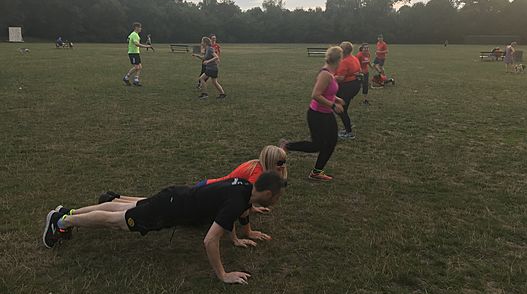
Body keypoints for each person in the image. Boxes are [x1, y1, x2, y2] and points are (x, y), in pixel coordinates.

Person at [42, 172, 285, 285]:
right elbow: (210, 240)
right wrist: (223, 275)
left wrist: (236, 238)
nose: (276, 201)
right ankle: (61, 222)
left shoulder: (243, 186)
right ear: (267, 193)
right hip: (167, 210)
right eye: (276, 197)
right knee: (115, 221)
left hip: (174, 195)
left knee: (119, 209)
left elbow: (234, 212)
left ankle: (67, 214)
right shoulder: (237, 201)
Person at [101, 145, 288, 215]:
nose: (283, 165)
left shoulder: (257, 165)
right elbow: (246, 198)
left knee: (153, 202)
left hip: (208, 187)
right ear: (270, 161)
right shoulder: (258, 174)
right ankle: (113, 200)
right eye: (280, 162)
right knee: (152, 204)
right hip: (208, 191)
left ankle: (115, 198)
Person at [280, 47, 344, 181]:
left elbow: (327, 92)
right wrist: (333, 105)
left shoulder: (330, 72)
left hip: (326, 114)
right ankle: (287, 146)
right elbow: (315, 95)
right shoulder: (325, 74)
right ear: (339, 59)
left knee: (331, 142)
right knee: (317, 145)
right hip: (317, 115)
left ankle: (316, 172)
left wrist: (336, 98)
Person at [334, 41, 361, 140]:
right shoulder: (353, 58)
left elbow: (340, 78)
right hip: (353, 85)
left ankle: (349, 132)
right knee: (339, 107)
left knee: (341, 109)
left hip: (348, 87)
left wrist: (328, 77)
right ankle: (347, 124)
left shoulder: (345, 61)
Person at [123, 22, 153, 86]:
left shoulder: (133, 34)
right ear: (136, 27)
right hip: (133, 53)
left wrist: (130, 42)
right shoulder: (135, 34)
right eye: (140, 27)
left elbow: (127, 39)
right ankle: (126, 77)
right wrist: (146, 46)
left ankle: (136, 80)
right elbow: (137, 44)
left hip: (136, 53)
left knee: (140, 67)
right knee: (136, 67)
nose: (140, 29)